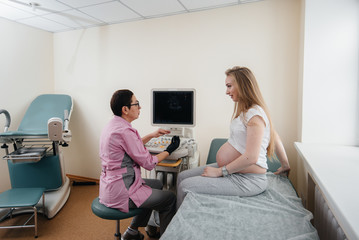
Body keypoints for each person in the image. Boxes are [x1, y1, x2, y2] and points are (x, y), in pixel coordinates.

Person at [176, 66, 291, 209]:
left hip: (248, 180)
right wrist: (285, 165)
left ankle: (169, 229)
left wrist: (220, 172)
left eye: (229, 86)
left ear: (242, 85)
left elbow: (252, 157)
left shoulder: (255, 116)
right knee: (181, 177)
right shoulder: (247, 111)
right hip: (234, 170)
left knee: (185, 186)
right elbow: (275, 134)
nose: (227, 91)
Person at [99, 89, 180, 240]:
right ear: (125, 109)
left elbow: (129, 147)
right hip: (122, 192)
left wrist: (151, 135)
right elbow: (149, 163)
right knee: (169, 199)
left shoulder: (114, 125)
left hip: (111, 186)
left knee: (155, 183)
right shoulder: (124, 131)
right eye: (136, 104)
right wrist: (169, 150)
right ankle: (167, 237)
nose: (140, 107)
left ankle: (132, 231)